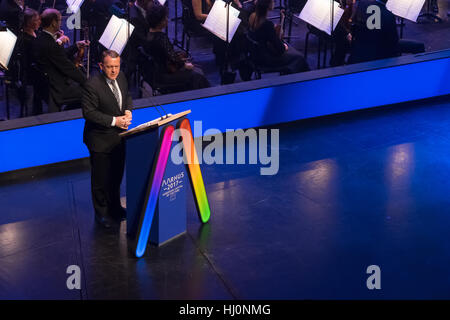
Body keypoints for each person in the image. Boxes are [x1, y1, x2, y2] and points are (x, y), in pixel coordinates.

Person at [82, 50, 133, 229]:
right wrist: (115, 121)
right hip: (100, 139)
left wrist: (128, 110)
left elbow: (126, 96)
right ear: (101, 66)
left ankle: (115, 207)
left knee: (116, 176)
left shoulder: (122, 76)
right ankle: (101, 214)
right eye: (110, 67)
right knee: (101, 180)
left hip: (119, 138)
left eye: (116, 66)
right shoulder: (92, 85)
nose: (114, 71)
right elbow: (89, 113)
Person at [143, 3, 210, 91]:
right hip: (164, 75)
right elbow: (173, 59)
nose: (167, 20)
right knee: (198, 75)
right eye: (165, 18)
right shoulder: (161, 38)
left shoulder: (148, 34)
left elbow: (167, 54)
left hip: (155, 74)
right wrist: (185, 65)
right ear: (160, 22)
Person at [33, 8, 88, 112]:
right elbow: (68, 68)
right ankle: (66, 116)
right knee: (88, 93)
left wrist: (76, 46)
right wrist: (88, 83)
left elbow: (59, 55)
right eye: (59, 20)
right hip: (56, 87)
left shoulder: (41, 37)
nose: (61, 23)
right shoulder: (51, 45)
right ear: (53, 23)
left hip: (45, 83)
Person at [248, 0, 309, 75]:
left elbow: (265, 37)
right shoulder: (267, 24)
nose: (274, 2)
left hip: (256, 56)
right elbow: (279, 48)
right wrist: (284, 47)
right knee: (299, 58)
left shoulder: (253, 17)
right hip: (266, 60)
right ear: (269, 5)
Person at [19, 8, 41, 115]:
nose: (39, 22)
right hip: (32, 74)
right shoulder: (27, 40)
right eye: (36, 20)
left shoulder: (34, 33)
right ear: (28, 23)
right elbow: (39, 56)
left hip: (35, 69)